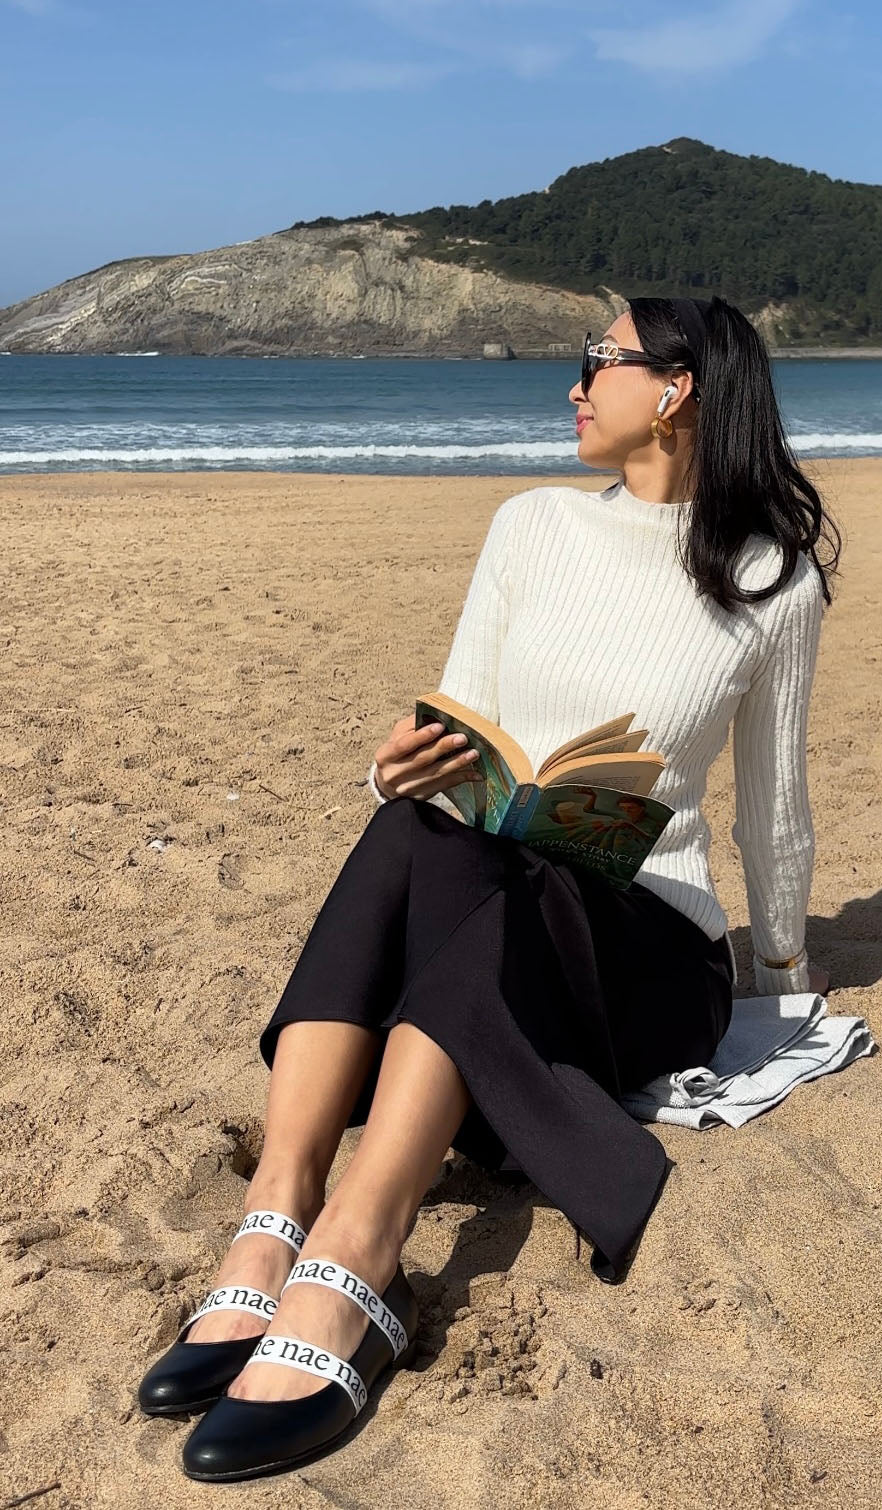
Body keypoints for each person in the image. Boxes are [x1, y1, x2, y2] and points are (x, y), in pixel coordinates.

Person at [136, 294, 841, 1482]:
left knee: (527, 890)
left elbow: (775, 804)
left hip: (649, 941)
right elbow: (458, 737)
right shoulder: (529, 526)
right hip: (505, 886)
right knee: (419, 827)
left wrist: (780, 981)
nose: (573, 385)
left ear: (676, 390)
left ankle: (361, 1248)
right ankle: (279, 1208)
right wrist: (392, 767)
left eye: (597, 362)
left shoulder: (771, 579)